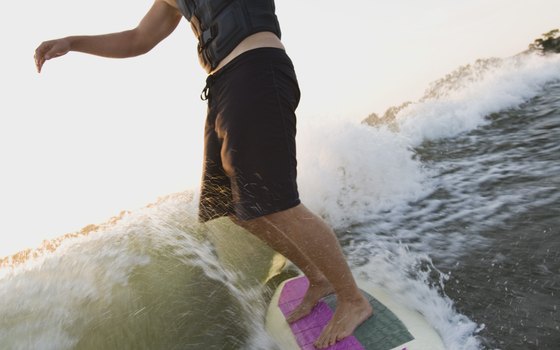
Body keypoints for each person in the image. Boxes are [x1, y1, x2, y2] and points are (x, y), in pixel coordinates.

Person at [34, 0, 373, 348]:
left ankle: (353, 300)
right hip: (222, 87)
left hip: (255, 71)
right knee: (237, 208)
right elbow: (138, 38)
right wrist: (73, 42)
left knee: (279, 203)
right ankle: (318, 278)